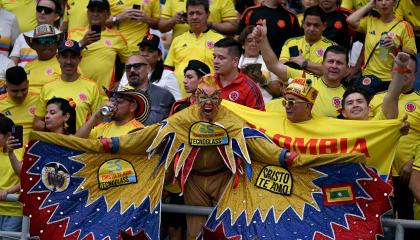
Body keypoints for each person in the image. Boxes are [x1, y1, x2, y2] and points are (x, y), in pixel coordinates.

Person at [253, 21, 347, 117]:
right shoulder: (303, 78)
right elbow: (273, 65)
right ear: (323, 64)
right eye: (330, 61)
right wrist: (262, 40)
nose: (334, 66)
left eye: (339, 63)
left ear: (346, 68)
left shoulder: (348, 96)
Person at [33, 39, 103, 130]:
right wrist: (58, 127)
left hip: (81, 143)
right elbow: (37, 123)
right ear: (58, 58)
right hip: (54, 143)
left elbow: (99, 123)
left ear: (79, 59)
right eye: (65, 57)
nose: (68, 62)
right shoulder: (47, 88)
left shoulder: (92, 87)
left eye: (73, 57)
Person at [164, 0, 224, 97]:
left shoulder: (220, 40)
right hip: (179, 98)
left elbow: (225, 72)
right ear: (186, 15)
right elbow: (168, 70)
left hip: (209, 99)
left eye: (199, 13)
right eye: (191, 13)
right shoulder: (177, 40)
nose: (194, 17)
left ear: (207, 14)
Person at [347, 0, 417, 82]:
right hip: (368, 77)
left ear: (394, 3)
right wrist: (370, 5)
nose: (383, 3)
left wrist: (395, 47)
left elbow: (412, 55)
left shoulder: (404, 26)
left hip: (391, 79)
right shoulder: (370, 20)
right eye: (379, 0)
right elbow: (350, 20)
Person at [68, 0, 131, 90]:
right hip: (77, 90)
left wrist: (122, 81)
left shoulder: (117, 37)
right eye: (92, 10)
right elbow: (64, 57)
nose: (95, 14)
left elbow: (129, 62)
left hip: (104, 93)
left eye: (100, 11)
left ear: (108, 14)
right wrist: (82, 43)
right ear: (87, 13)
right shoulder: (73, 33)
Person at [7, 97, 76, 177]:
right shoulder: (36, 143)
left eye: (52, 113)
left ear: (66, 116)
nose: (46, 116)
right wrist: (11, 153)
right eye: (46, 113)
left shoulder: (73, 142)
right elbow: (23, 173)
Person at [120, 34, 182, 100]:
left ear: (159, 56)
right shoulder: (129, 72)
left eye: (150, 51)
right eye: (142, 49)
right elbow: (118, 98)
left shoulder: (167, 75)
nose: (144, 54)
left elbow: (178, 103)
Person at [279, 6, 336, 76]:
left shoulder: (332, 48)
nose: (311, 29)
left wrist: (303, 62)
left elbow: (328, 71)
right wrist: (316, 68)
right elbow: (282, 67)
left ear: (324, 26)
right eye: (308, 24)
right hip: (294, 84)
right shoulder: (291, 42)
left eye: (316, 25)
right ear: (303, 24)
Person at [212, 37, 265, 110]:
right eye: (214, 57)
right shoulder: (206, 81)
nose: (215, 61)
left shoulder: (250, 88)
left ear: (235, 61)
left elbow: (258, 119)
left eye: (221, 58)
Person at [75, 89, 149, 139]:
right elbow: (76, 141)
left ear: (132, 107)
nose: (113, 104)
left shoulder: (138, 130)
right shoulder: (103, 127)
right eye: (113, 100)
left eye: (119, 100)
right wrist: (95, 116)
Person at [238, 25, 284, 103]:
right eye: (250, 40)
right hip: (240, 105)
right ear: (243, 44)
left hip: (264, 105)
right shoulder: (235, 60)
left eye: (257, 41)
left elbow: (278, 92)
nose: (254, 44)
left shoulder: (269, 61)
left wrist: (263, 80)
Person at [124, 54, 175, 125]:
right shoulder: (118, 98)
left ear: (148, 68)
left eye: (137, 66)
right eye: (128, 67)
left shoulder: (164, 96)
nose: (132, 70)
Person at [10, 0, 62, 67]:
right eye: (39, 9)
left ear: (56, 16)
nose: (42, 12)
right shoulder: (22, 37)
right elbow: (12, 65)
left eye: (47, 10)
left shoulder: (61, 38)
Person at [158, 0, 238, 39]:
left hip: (213, 48)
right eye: (191, 14)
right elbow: (161, 27)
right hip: (180, 48)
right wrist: (173, 20)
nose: (194, 17)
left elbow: (233, 27)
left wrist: (209, 24)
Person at [23, 24, 64, 94]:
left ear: (57, 44)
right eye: (42, 40)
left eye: (51, 40)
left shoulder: (66, 64)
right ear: (34, 45)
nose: (47, 44)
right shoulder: (27, 66)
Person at [0, 66, 37, 143]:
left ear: (28, 83)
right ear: (6, 87)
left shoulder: (39, 100)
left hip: (32, 151)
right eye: (15, 91)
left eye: (23, 90)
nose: (20, 95)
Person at [0, 115, 23, 236]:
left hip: (15, 210)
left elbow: (25, 179)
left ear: (8, 135)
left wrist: (7, 191)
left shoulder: (23, 151)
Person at [395, 0, 420, 89]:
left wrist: (412, 27)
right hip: (410, 35)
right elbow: (397, 22)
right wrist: (412, 28)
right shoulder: (402, 2)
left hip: (410, 30)